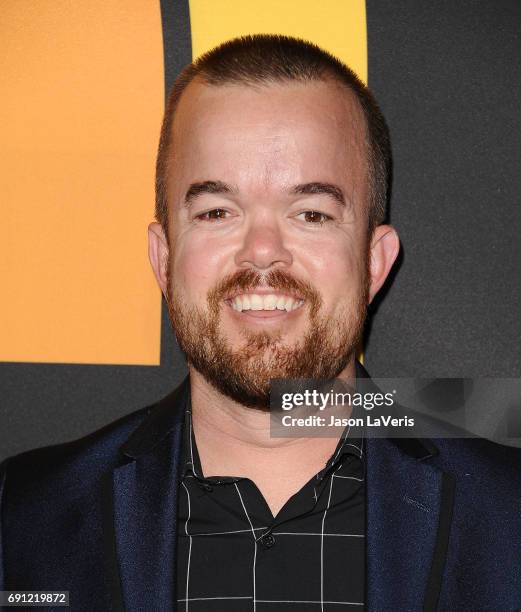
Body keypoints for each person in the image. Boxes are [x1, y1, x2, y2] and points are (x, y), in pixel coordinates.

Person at [1, 34, 520, 612]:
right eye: (218, 211)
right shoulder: (21, 522)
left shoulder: (510, 518)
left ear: (374, 263)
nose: (263, 251)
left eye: (312, 213)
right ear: (164, 258)